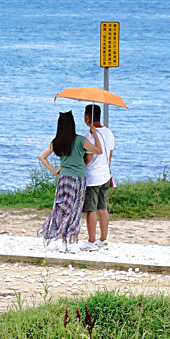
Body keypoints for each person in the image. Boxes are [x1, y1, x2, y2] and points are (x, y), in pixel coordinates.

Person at [37, 111, 102, 252]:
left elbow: (42, 157)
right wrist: (94, 132)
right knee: (75, 210)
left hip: (64, 179)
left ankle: (64, 242)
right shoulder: (80, 140)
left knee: (63, 208)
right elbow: (99, 150)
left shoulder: (57, 141)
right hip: (78, 179)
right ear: (72, 124)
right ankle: (74, 243)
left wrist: (55, 171)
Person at [81, 104, 115, 250]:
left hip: (93, 177)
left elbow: (89, 157)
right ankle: (103, 240)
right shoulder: (109, 132)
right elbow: (110, 156)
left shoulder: (89, 135)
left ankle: (91, 241)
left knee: (91, 209)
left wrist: (81, 165)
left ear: (88, 117)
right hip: (105, 175)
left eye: (84, 115)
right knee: (102, 208)